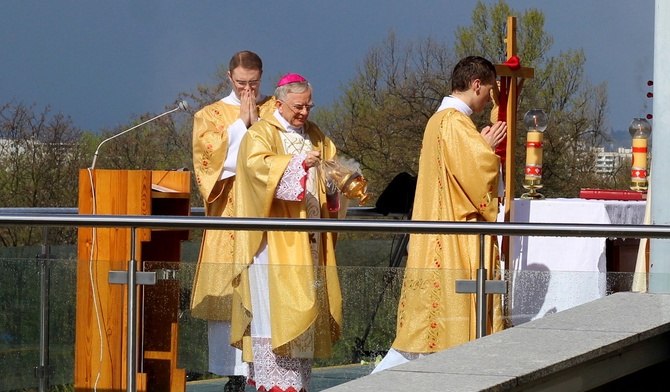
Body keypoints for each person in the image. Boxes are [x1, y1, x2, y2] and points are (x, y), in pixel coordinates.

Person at [373, 55, 508, 373]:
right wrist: (487, 149)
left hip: (435, 230)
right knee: (435, 330)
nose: (489, 98)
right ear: (476, 84)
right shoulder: (454, 122)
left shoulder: (440, 119)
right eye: (488, 90)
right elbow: (477, 175)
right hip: (450, 239)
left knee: (420, 335)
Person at [232, 73, 344, 392]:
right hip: (273, 243)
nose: (304, 113)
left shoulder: (316, 134)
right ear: (279, 103)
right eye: (298, 106)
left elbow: (334, 169)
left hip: (309, 239)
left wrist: (339, 180)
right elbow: (256, 172)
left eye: (309, 106)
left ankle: (297, 385)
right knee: (275, 314)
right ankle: (275, 384)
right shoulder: (261, 134)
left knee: (304, 310)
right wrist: (298, 164)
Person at [190, 50, 276, 392]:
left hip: (268, 219)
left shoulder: (275, 109)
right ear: (229, 78)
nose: (247, 90)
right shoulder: (208, 116)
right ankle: (234, 374)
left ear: (261, 77)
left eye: (253, 83)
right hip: (229, 217)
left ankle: (267, 369)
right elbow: (211, 166)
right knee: (229, 294)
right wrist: (242, 123)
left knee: (266, 294)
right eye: (241, 83)